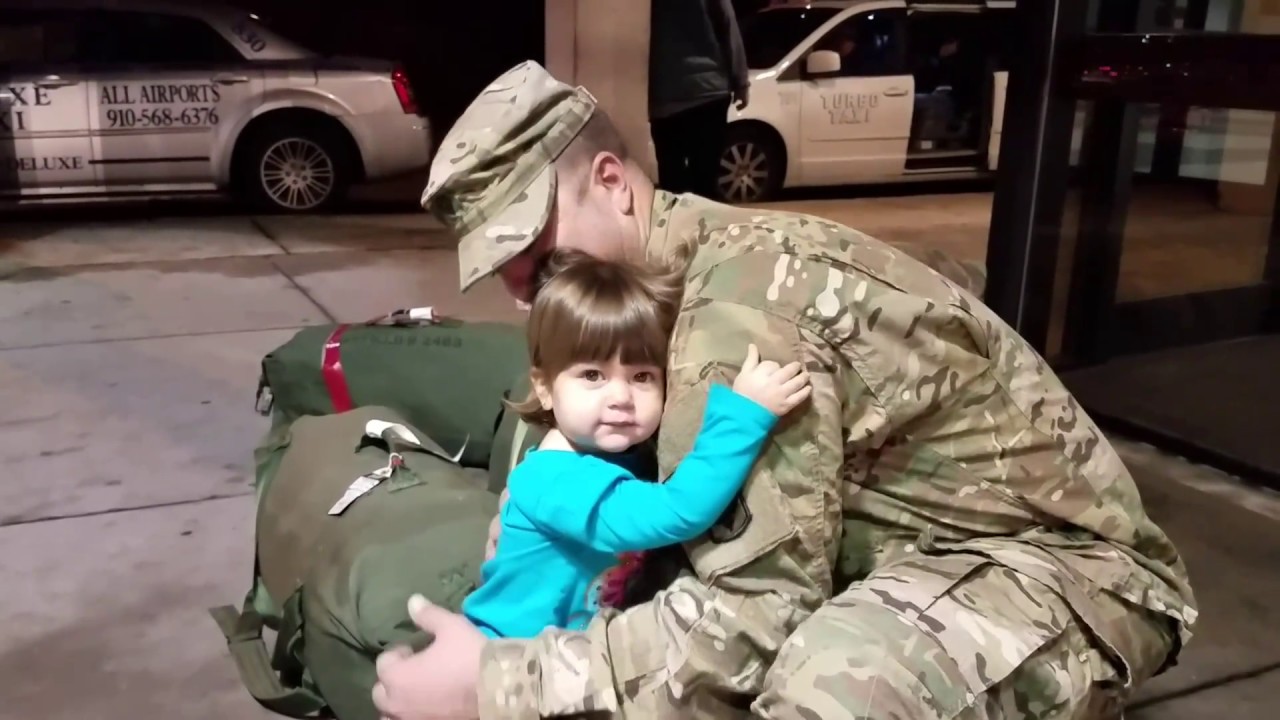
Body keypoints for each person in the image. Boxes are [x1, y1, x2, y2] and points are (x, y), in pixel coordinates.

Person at [373, 60, 1198, 720]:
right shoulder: (646, 284)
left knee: (832, 685)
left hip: (1060, 573)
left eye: (538, 252)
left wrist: (499, 686)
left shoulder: (736, 314)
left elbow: (752, 615)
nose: (527, 290)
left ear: (615, 183)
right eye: (509, 276)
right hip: (890, 547)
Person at [460, 250, 812, 639]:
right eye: (593, 374)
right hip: (502, 655)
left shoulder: (611, 455)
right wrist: (742, 416)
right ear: (544, 387)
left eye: (641, 376)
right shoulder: (559, 481)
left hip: (556, 657)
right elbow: (677, 510)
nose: (621, 397)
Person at [648, 0, 750, 199]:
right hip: (708, 93)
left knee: (672, 185)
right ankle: (705, 228)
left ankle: (677, 228)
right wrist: (741, 82)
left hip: (664, 97)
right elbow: (727, 26)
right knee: (706, 183)